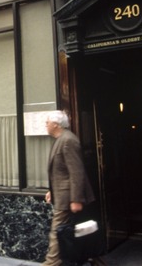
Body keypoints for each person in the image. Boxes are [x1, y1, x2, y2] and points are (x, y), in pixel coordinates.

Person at [43, 110, 99, 266]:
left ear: (56, 124)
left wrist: (76, 199)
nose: (45, 125)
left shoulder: (68, 140)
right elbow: (61, 171)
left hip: (67, 198)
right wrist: (52, 191)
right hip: (62, 195)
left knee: (56, 232)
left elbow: (76, 171)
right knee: (66, 232)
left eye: (47, 122)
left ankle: (51, 263)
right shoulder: (61, 139)